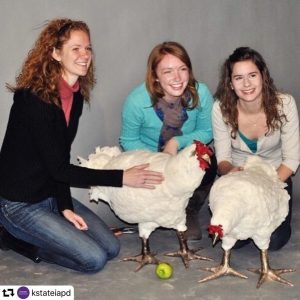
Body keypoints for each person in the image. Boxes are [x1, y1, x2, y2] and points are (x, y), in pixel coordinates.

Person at [0, 18, 164, 273]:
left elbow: (60, 160)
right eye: (75, 48)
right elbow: (59, 169)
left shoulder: (74, 96)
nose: (85, 55)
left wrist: (64, 205)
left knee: (111, 248)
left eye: (88, 48)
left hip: (50, 194)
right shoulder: (34, 100)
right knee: (93, 260)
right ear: (55, 53)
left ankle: (50, 221)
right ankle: (13, 239)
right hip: (19, 205)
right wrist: (123, 177)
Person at [120, 41, 217, 240]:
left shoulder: (202, 93)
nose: (177, 78)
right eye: (167, 71)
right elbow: (128, 140)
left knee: (208, 160)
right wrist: (158, 160)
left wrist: (176, 142)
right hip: (149, 156)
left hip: (182, 154)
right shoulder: (137, 101)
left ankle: (188, 210)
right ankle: (153, 213)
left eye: (183, 69)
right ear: (155, 76)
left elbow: (207, 131)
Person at [212, 46, 299, 250]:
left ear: (263, 77)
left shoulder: (285, 104)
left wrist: (265, 188)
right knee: (235, 241)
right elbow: (222, 160)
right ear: (230, 84)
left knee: (274, 241)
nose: (247, 84)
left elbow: (292, 159)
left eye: (252, 75)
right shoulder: (220, 109)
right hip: (240, 178)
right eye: (238, 78)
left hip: (276, 177)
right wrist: (229, 171)